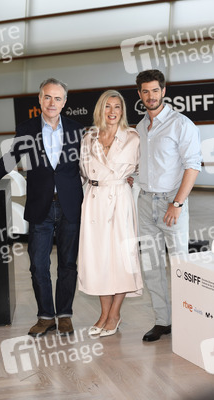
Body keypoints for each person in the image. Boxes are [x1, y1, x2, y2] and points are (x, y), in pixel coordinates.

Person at [0, 78, 84, 336]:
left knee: (68, 265)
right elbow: (7, 162)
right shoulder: (26, 129)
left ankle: (65, 315)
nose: (52, 102)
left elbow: (91, 164)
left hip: (71, 206)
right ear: (39, 99)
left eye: (57, 98)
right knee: (38, 265)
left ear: (65, 102)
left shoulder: (77, 130)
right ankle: (46, 316)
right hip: (41, 208)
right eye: (47, 97)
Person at [136, 69, 202, 342]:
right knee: (151, 266)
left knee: (180, 266)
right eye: (145, 91)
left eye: (155, 90)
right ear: (139, 94)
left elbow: (193, 165)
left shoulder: (181, 124)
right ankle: (163, 321)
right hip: (144, 203)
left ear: (164, 91)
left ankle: (190, 322)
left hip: (170, 203)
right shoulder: (140, 127)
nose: (150, 96)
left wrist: (177, 202)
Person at [78, 89, 143, 337]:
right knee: (98, 259)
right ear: (100, 110)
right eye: (108, 106)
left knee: (121, 258)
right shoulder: (89, 138)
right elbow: (83, 171)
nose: (113, 111)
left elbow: (141, 169)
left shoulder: (133, 138)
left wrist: (130, 181)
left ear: (123, 111)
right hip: (94, 201)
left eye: (117, 107)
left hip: (120, 202)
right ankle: (103, 314)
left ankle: (114, 314)